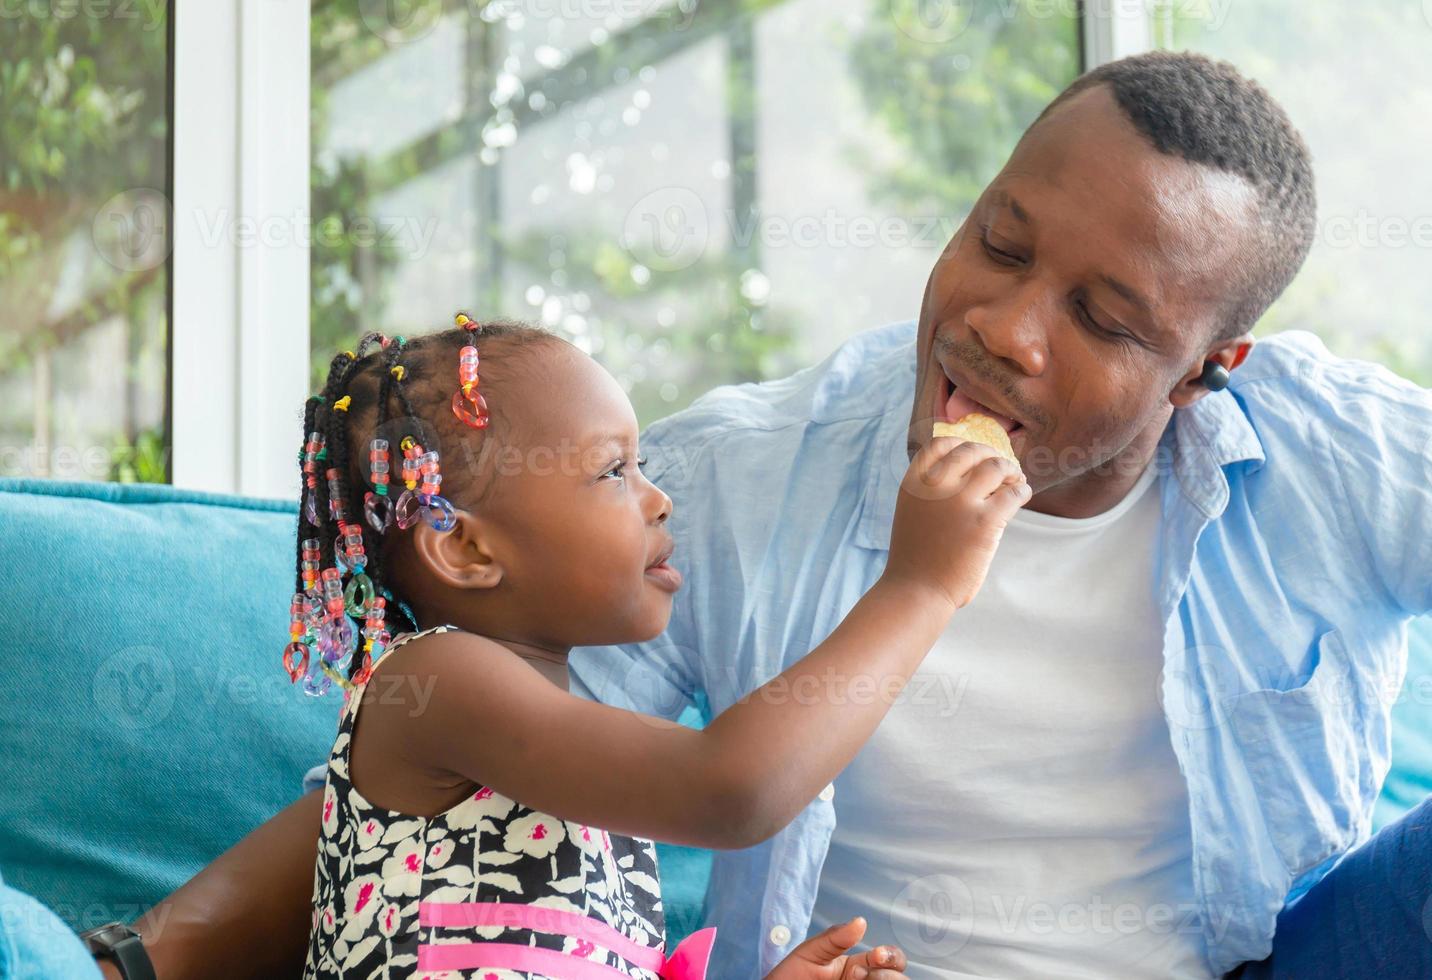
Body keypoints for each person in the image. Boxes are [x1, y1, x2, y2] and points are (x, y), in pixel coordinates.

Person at [96, 51, 1432, 980]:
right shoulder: (741, 477)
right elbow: (471, 747)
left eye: (1101, 318)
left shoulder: (1335, 452)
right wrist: (163, 955)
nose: (1002, 330)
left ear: (1211, 369)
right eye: (1003, 243)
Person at [287, 315, 1026, 979]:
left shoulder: (580, 758)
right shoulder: (436, 682)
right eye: (614, 471)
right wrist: (919, 587)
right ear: (468, 549)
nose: (659, 497)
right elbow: (731, 791)